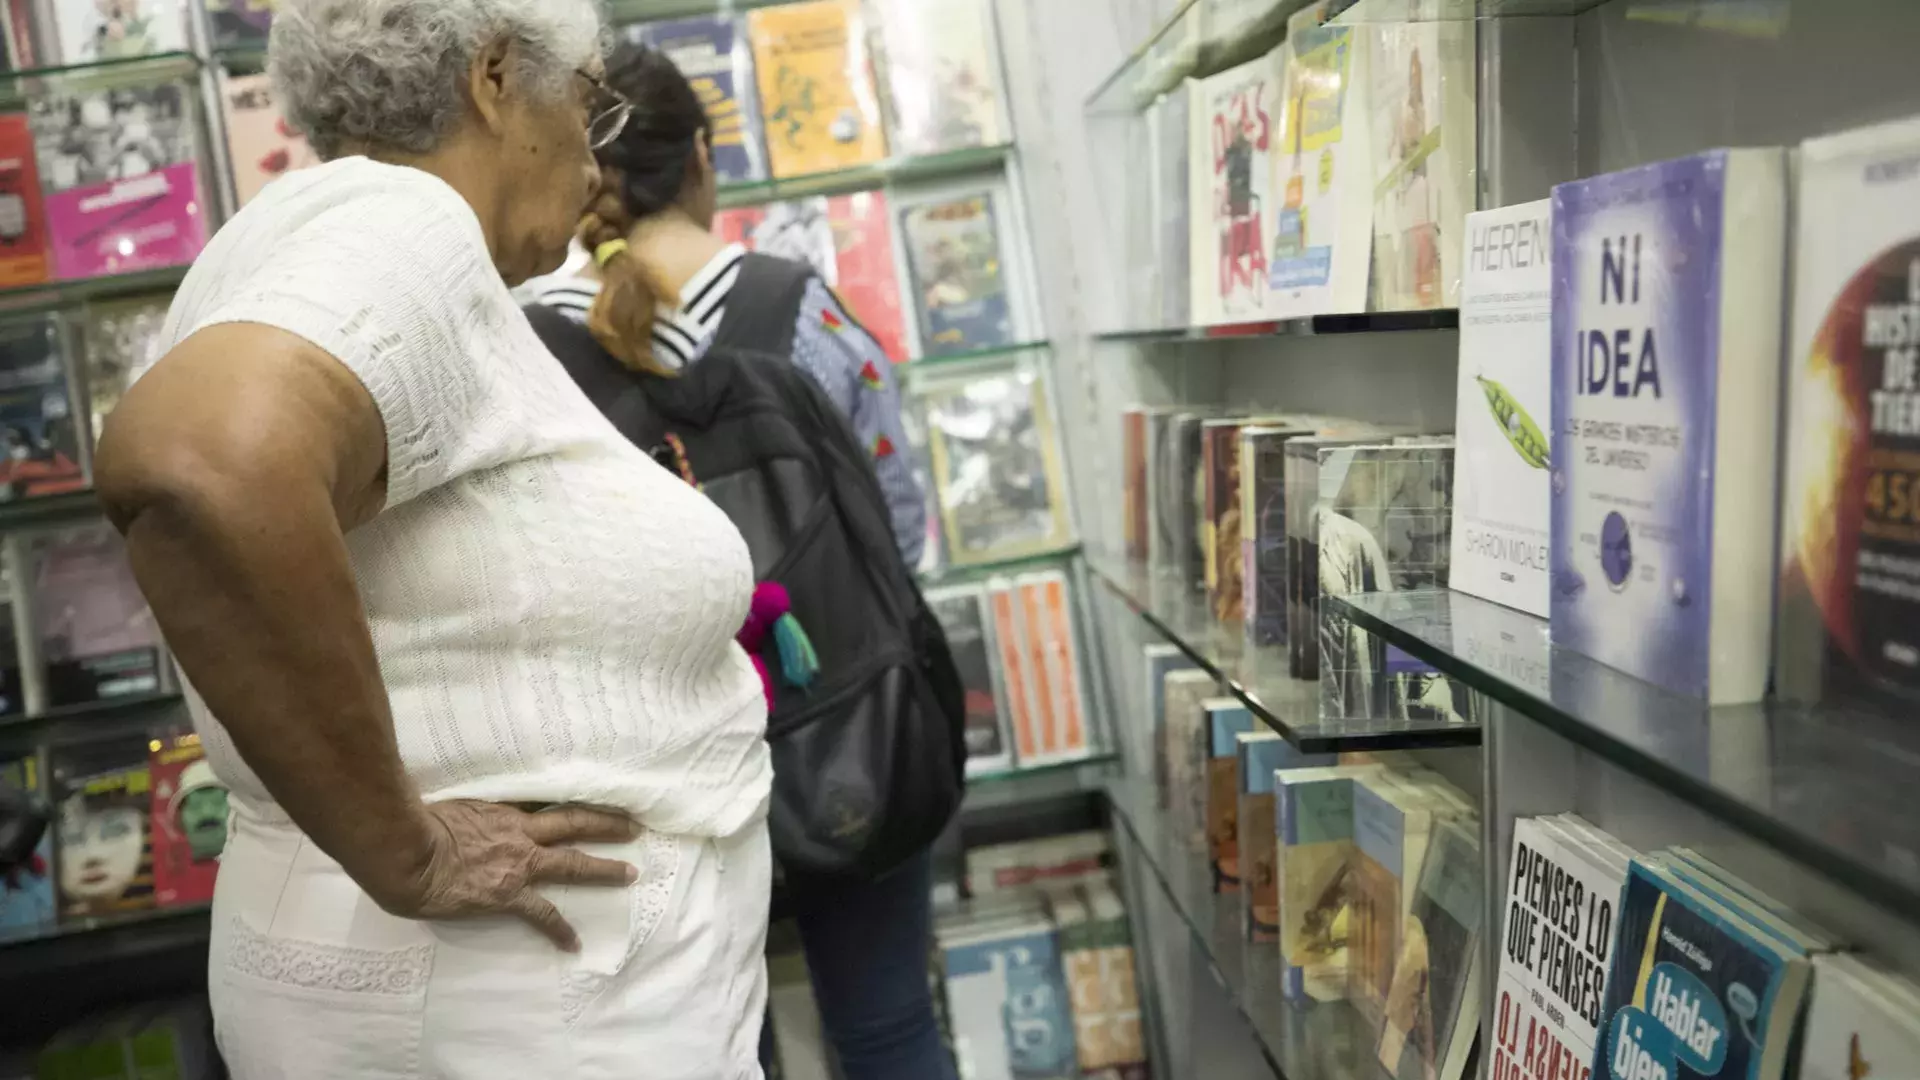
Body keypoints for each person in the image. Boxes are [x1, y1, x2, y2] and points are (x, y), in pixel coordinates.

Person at [92, 3, 774, 1077]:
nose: (598, 153)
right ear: (496, 77)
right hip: (517, 999)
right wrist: (404, 854)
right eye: (588, 97)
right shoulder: (402, 223)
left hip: (483, 990)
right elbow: (201, 464)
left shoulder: (324, 235)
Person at [525, 43, 953, 1080]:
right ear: (705, 161)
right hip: (846, 732)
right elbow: (902, 535)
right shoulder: (804, 312)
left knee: (711, 1047)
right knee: (888, 1026)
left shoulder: (531, 348)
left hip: (650, 774)